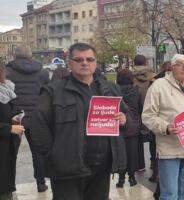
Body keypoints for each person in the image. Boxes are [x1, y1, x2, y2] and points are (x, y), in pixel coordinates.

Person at [30, 43, 129, 199]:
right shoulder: (54, 91)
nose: (85, 63)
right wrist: (53, 154)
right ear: (70, 63)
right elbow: (37, 127)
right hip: (67, 170)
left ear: (95, 63)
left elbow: (128, 119)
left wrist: (124, 120)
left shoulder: (110, 89)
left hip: (101, 168)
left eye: (90, 59)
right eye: (79, 59)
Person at [142, 54, 184, 199]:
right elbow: (148, 116)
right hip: (170, 149)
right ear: (172, 67)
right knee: (169, 194)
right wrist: (166, 127)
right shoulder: (159, 86)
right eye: (180, 64)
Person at [6, 45, 50, 192]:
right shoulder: (42, 73)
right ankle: (41, 183)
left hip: (13, 118)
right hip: (35, 118)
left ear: (14, 56)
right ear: (31, 57)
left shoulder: (7, 72)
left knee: (10, 153)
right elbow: (47, 94)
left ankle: (8, 185)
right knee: (37, 152)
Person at [115, 69, 144, 187]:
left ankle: (121, 179)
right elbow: (140, 107)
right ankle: (132, 178)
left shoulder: (115, 91)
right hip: (134, 125)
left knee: (121, 152)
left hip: (119, 125)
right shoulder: (137, 90)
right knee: (132, 153)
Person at [0, 63, 23, 200]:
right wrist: (9, 128)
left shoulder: (5, 88)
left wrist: (12, 119)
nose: (5, 72)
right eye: (2, 70)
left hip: (5, 145)